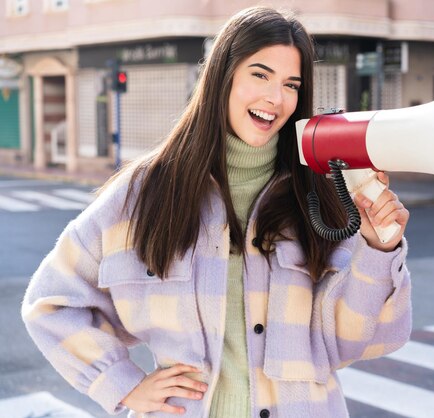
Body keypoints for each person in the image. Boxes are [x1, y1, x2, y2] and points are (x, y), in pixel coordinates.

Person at [22, 6, 411, 417]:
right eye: (259, 75)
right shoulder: (143, 193)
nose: (275, 99)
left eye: (291, 85)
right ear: (222, 76)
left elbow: (360, 342)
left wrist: (378, 248)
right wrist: (124, 385)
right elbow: (51, 301)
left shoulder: (321, 193)